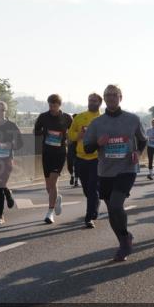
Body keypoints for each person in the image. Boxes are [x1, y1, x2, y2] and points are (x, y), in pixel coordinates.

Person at [83, 84, 147, 261]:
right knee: (112, 211)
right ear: (104, 99)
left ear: (120, 97)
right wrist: (98, 144)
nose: (111, 97)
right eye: (108, 95)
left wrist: (138, 153)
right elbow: (87, 148)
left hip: (127, 168)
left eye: (114, 94)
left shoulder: (132, 119)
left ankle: (125, 241)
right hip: (105, 171)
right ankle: (124, 239)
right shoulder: (96, 123)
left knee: (116, 205)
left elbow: (142, 140)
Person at [34, 94, 72, 224]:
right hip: (47, 152)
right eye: (50, 105)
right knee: (48, 186)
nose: (52, 107)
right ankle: (56, 199)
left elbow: (73, 132)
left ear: (59, 105)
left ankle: (50, 212)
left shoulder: (67, 118)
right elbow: (36, 131)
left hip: (60, 153)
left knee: (54, 181)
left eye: (54, 105)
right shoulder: (43, 116)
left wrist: (66, 137)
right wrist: (45, 132)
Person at [68, 92, 103, 228]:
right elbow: (70, 135)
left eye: (94, 101)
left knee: (93, 188)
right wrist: (79, 135)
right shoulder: (80, 117)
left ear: (100, 103)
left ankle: (89, 217)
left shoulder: (102, 118)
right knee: (87, 190)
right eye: (90, 100)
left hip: (97, 158)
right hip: (81, 158)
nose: (91, 102)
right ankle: (94, 204)